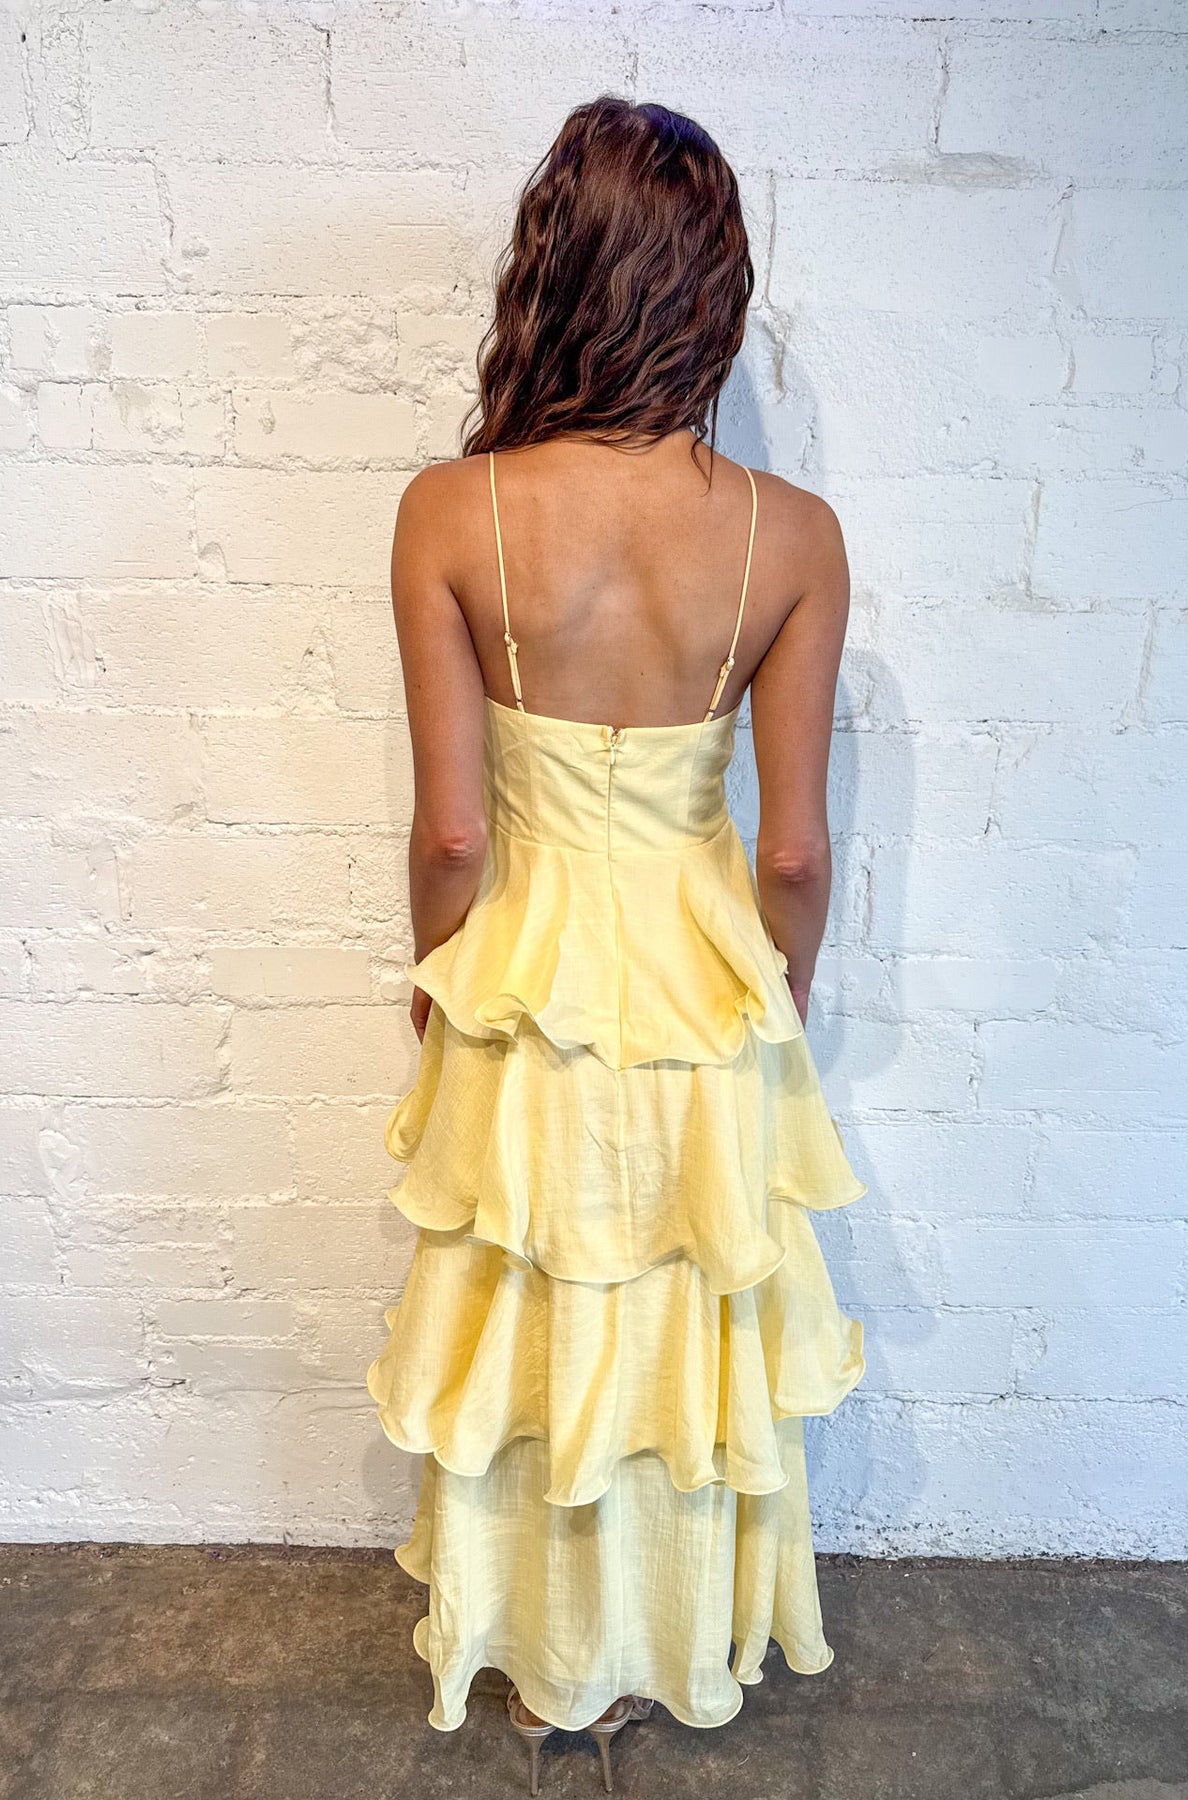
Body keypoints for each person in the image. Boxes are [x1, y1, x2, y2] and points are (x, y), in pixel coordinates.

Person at [366, 95, 867, 1794]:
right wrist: (779, 985)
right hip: (701, 978)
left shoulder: (452, 515)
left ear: (551, 272)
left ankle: (544, 1664)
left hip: (527, 974)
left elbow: (453, 833)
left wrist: (439, 982)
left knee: (539, 1322)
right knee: (672, 1326)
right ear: (714, 288)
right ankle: (663, 1652)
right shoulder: (793, 539)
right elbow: (792, 848)